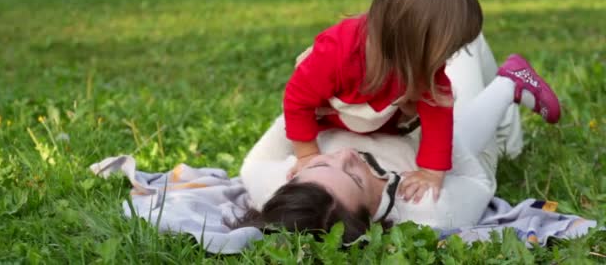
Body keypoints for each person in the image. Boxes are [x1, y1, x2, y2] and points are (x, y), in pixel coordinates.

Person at [239, 47, 561, 243]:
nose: (346, 155)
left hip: (389, 121)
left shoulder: (276, 186)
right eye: (354, 176)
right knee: (461, 46)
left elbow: (263, 151)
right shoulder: (427, 210)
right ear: (371, 218)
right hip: (460, 155)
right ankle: (509, 84)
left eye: (323, 163)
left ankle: (513, 99)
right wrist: (430, 124)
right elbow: (477, 181)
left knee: (440, 34)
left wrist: (323, 110)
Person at [283, 0, 486, 201]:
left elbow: (438, 113)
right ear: (406, 45)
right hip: (332, 120)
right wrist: (307, 155)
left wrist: (431, 172)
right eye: (443, 52)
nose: (446, 60)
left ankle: (510, 88)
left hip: (383, 125)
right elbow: (297, 100)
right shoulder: (335, 53)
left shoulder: (422, 66)